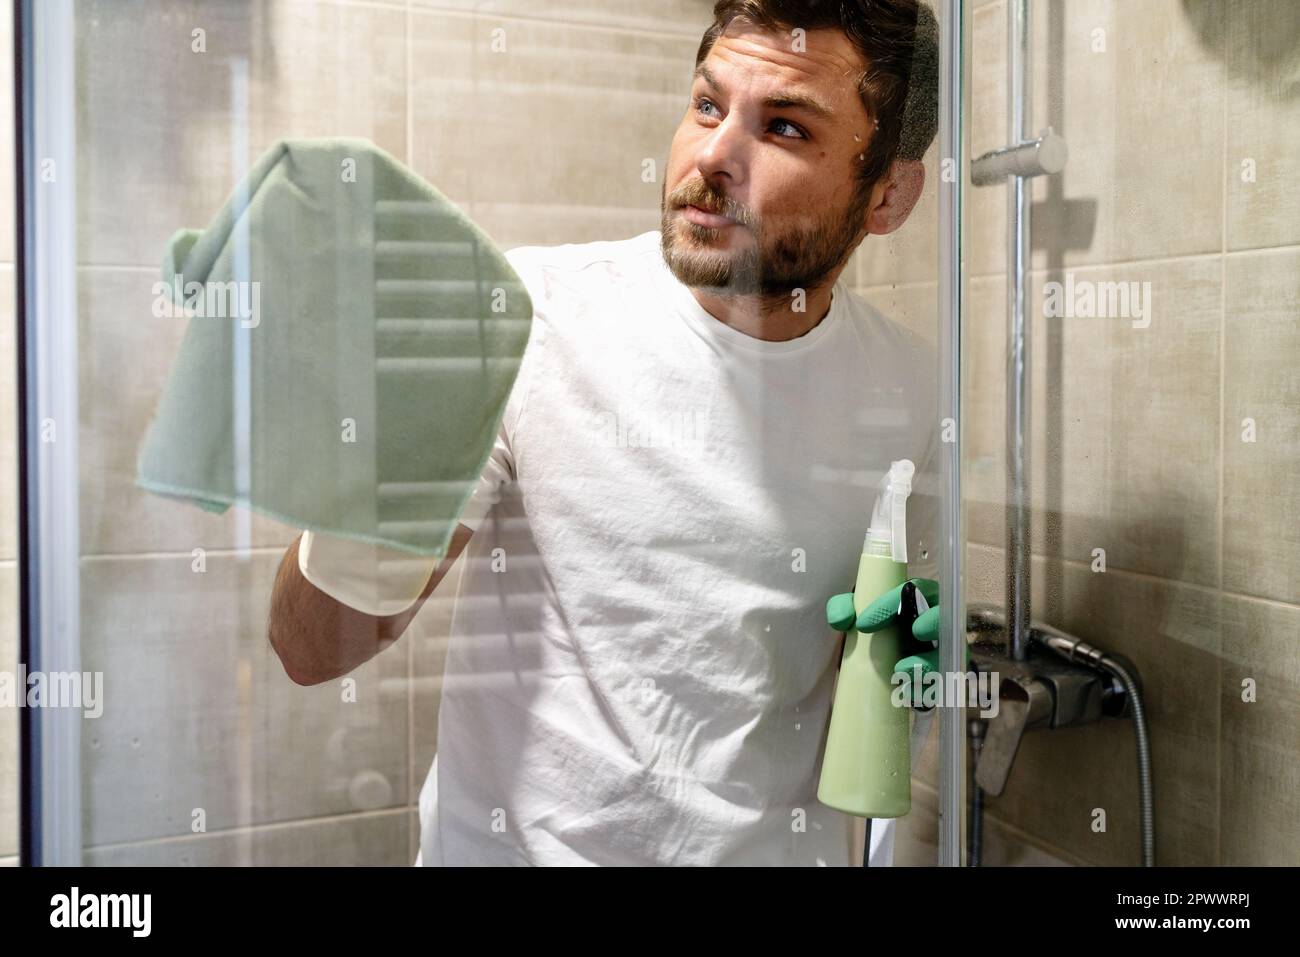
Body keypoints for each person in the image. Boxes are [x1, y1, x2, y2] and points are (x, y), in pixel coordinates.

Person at [268, 0, 941, 866]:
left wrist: (904, 647)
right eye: (707, 105)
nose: (712, 157)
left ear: (886, 194)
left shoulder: (914, 394)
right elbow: (309, 647)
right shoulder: (520, 318)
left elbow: (888, 709)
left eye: (782, 126)